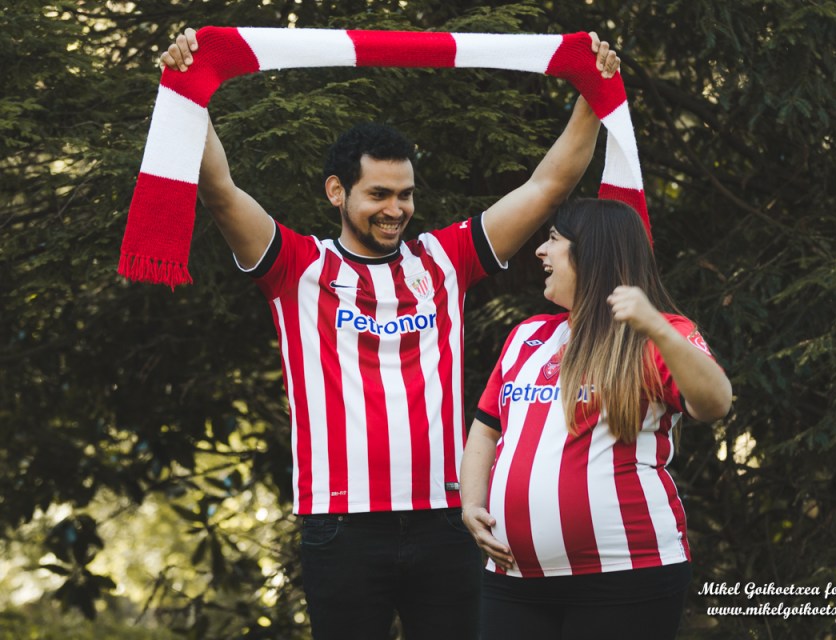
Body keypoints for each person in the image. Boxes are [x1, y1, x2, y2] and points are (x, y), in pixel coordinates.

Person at [160, 27, 620, 640]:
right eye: (378, 194)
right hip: (341, 525)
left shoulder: (445, 259)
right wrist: (192, 87)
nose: (395, 209)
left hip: (446, 519)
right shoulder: (297, 266)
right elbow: (220, 192)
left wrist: (593, 89)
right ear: (336, 192)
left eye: (405, 195)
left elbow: (547, 186)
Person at [460, 198, 733, 640]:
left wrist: (657, 328)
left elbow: (716, 403)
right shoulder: (527, 336)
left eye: (553, 239)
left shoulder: (658, 332)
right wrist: (471, 504)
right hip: (514, 579)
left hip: (625, 577)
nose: (540, 250)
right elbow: (486, 429)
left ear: (592, 251)